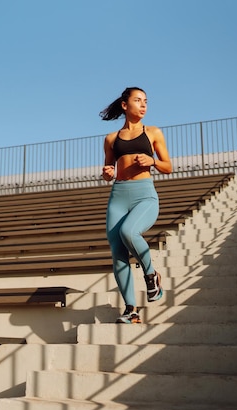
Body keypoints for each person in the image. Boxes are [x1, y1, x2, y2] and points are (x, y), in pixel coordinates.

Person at [100, 87, 172, 324]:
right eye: (138, 100)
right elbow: (109, 170)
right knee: (118, 254)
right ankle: (130, 309)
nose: (143, 105)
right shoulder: (111, 139)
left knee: (128, 231)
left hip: (144, 195)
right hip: (118, 196)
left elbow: (168, 166)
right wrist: (107, 173)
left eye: (146, 101)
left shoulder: (153, 133)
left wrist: (152, 160)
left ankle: (151, 274)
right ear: (124, 105)